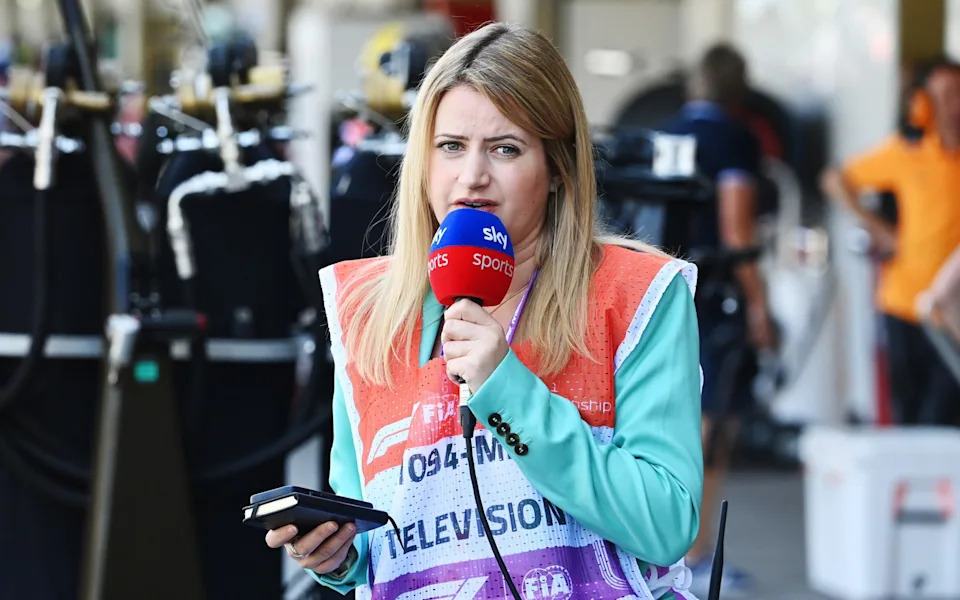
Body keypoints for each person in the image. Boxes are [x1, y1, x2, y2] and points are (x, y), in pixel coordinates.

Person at [264, 22, 704, 599]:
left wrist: (509, 391)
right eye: (450, 146)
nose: (472, 177)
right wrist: (336, 555)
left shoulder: (640, 294)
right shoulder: (367, 311)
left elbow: (665, 524)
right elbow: (372, 541)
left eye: (505, 148)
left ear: (558, 170)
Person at [659, 43, 775, 596]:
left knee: (669, 421)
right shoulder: (736, 136)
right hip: (714, 293)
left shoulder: (667, 128)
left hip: (657, 290)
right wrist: (760, 305)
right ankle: (696, 555)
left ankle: (668, 553)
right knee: (712, 425)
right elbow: (737, 231)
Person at [821, 57, 960, 426]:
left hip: (953, 315)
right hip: (904, 304)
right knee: (910, 418)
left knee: (945, 417)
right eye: (945, 95)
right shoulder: (905, 153)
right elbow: (836, 179)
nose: (955, 105)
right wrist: (880, 230)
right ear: (923, 102)